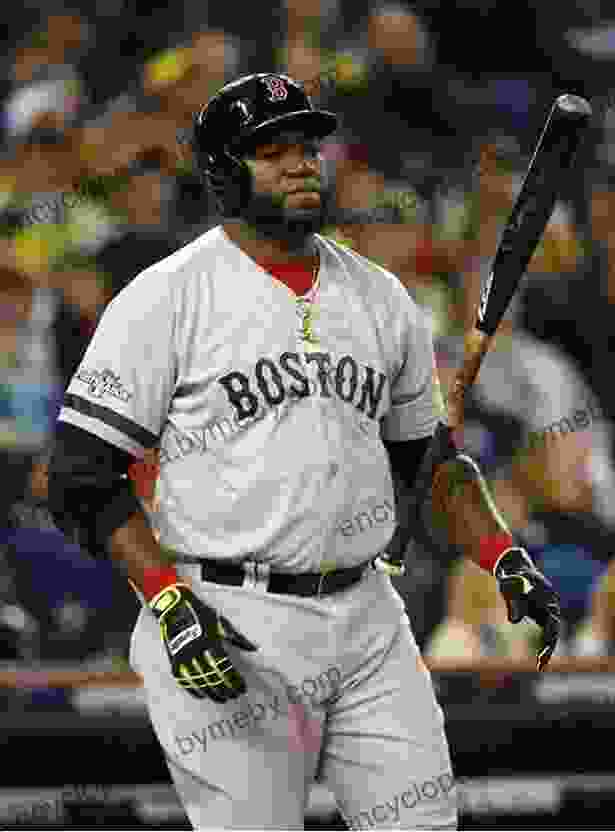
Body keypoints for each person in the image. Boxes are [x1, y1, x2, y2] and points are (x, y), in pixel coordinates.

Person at [47, 73, 561, 831]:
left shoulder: (382, 297)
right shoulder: (168, 297)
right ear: (223, 170)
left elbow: (432, 463)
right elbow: (80, 476)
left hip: (366, 622)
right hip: (227, 618)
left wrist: (502, 554)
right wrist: (164, 598)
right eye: (271, 150)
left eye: (307, 146)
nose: (299, 164)